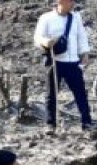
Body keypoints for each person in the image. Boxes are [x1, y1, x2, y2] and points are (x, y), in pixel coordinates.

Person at [34, 0, 93, 133]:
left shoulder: (76, 17)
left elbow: (81, 35)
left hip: (73, 61)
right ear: (61, 2)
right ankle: (50, 124)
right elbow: (37, 37)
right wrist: (45, 42)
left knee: (81, 93)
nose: (73, 4)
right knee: (51, 94)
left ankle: (87, 123)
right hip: (55, 61)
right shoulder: (46, 18)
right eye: (70, 1)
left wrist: (84, 53)